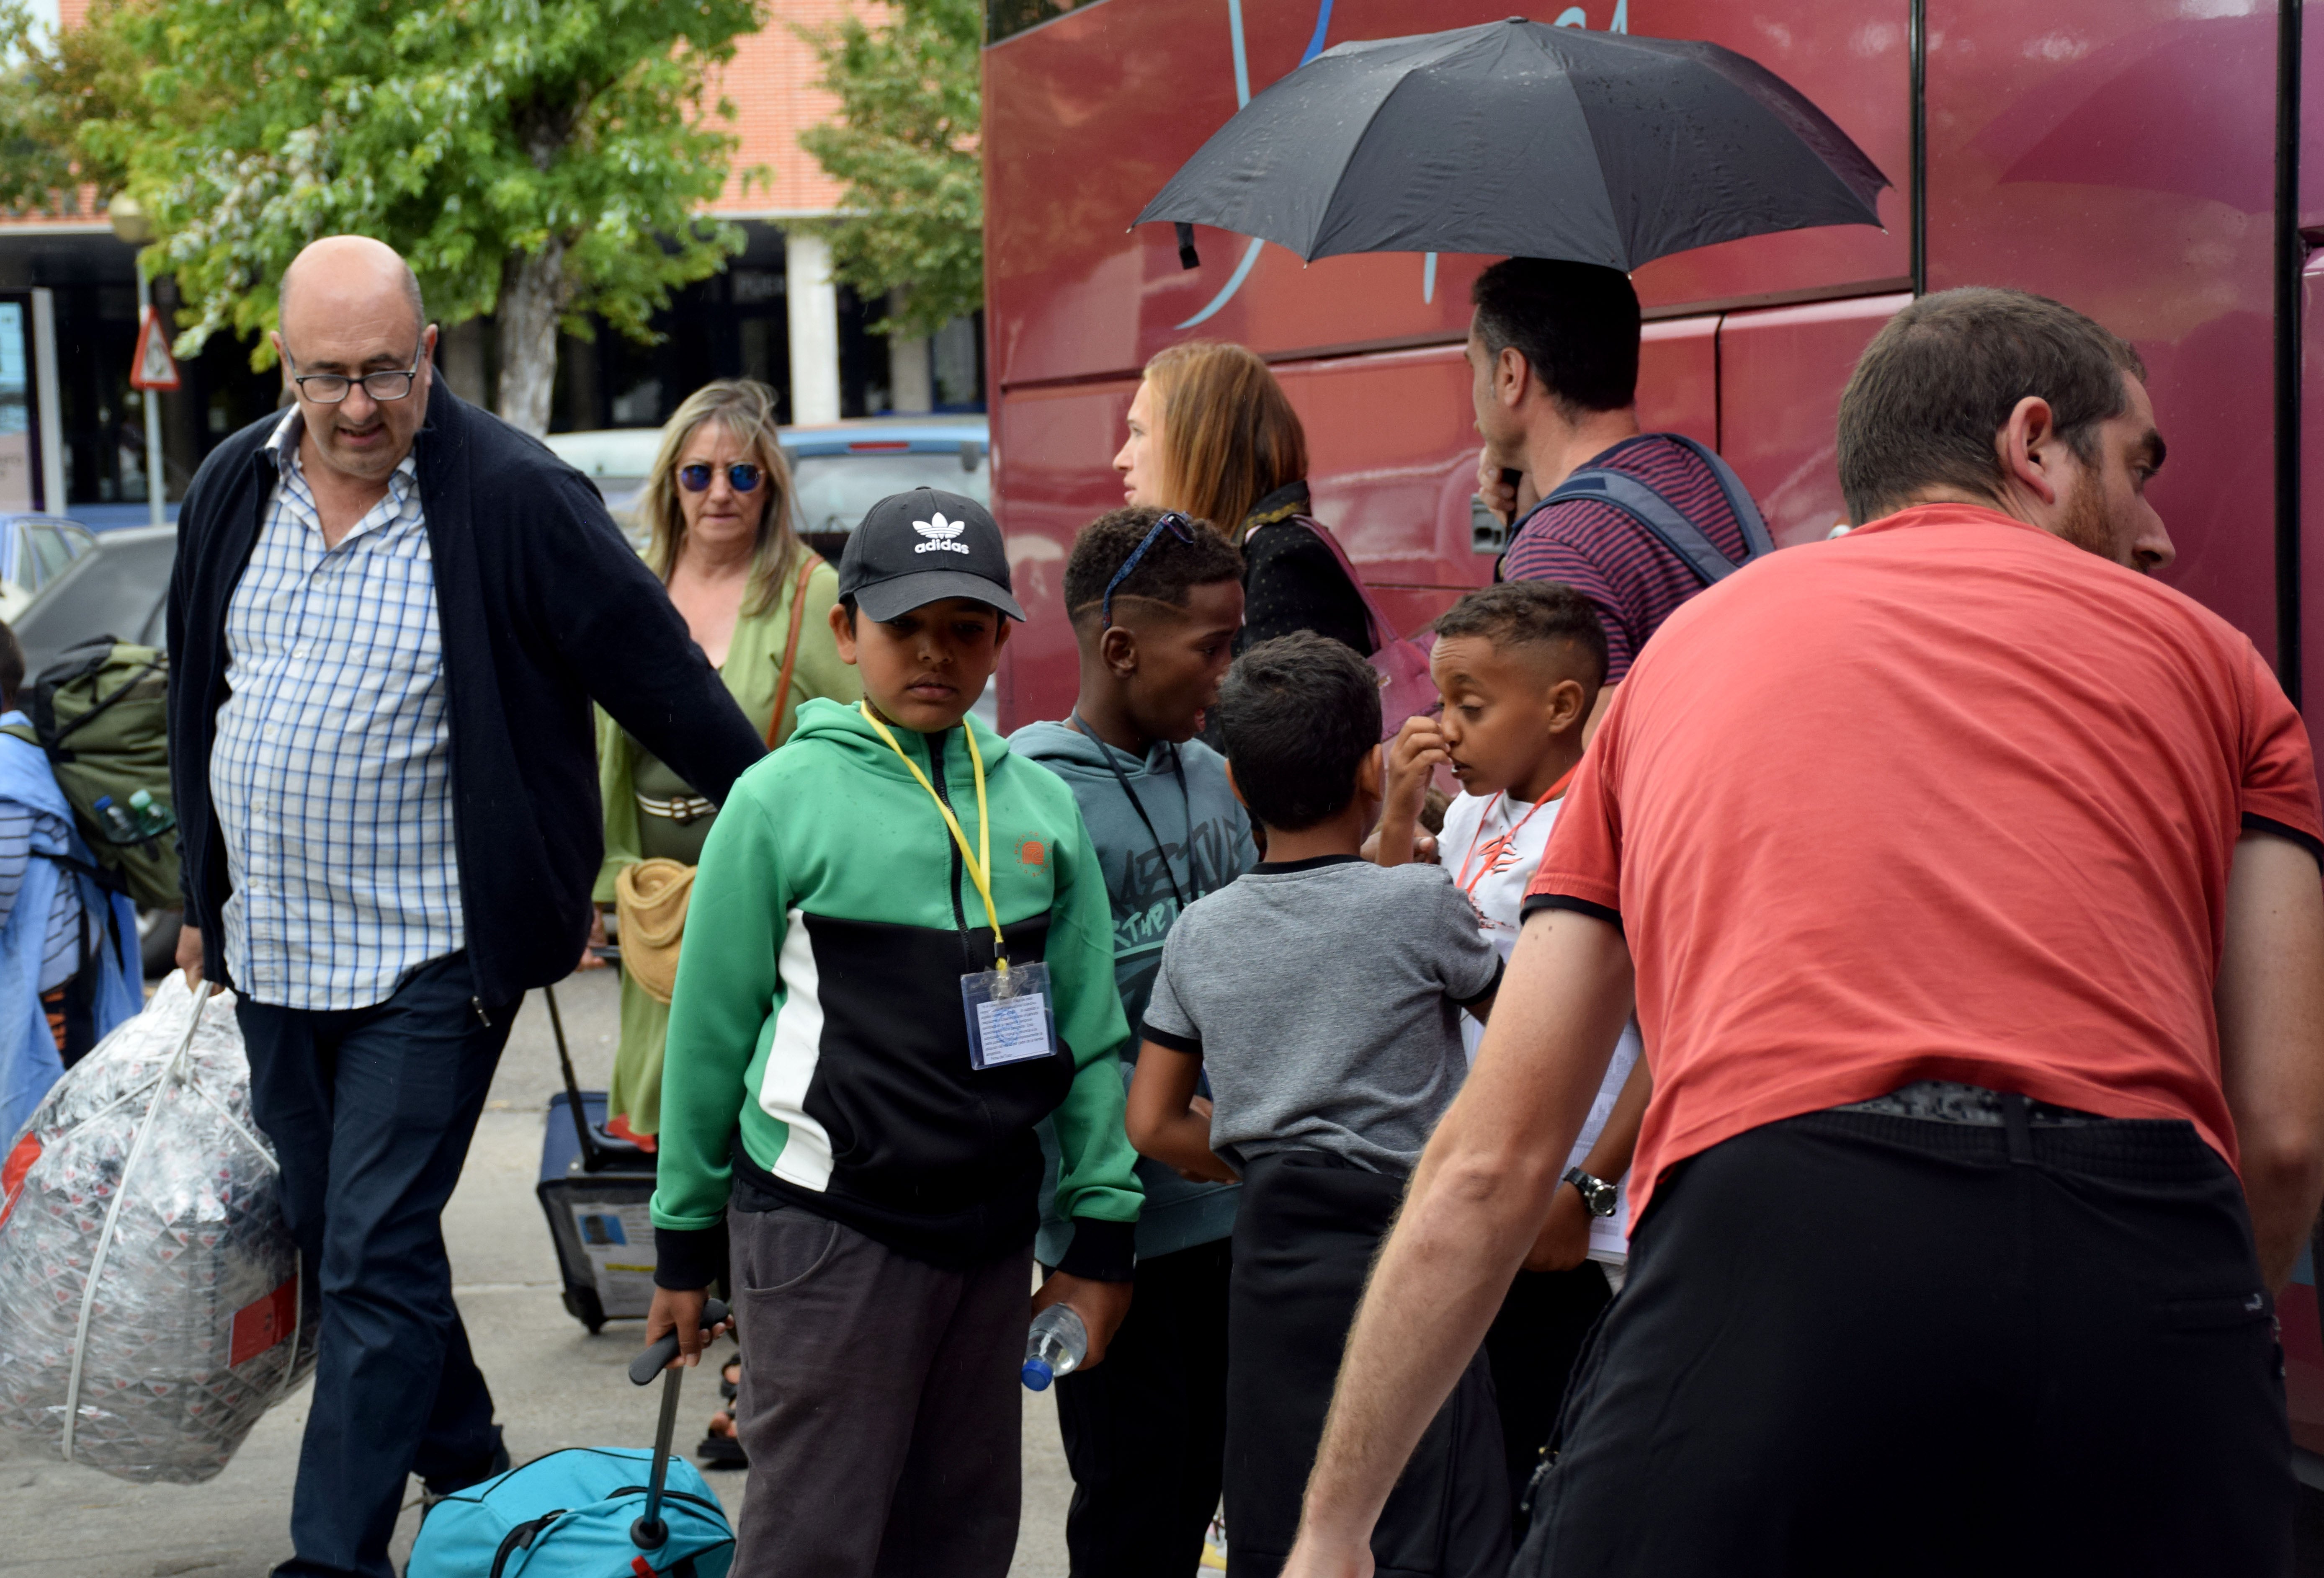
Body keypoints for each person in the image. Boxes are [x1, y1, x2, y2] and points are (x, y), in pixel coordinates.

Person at [1280, 287, 2324, 1578]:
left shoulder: (1671, 666)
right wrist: (2184, 1329)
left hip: (1780, 1252)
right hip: (2147, 1256)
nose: (2159, 534)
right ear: (2033, 442)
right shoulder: (2225, 670)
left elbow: (1490, 1157)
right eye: (2138, 466)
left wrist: (1332, 1526)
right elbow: (2279, 1135)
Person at [165, 236, 766, 1578]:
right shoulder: (229, 486)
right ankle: (472, 1460)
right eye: (330, 375)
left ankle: (333, 1554)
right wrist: (197, 895)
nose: (360, 403)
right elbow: (197, 693)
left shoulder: (509, 494)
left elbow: (656, 671)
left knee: (374, 1246)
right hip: (274, 945)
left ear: (428, 351)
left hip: (433, 950)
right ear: (285, 365)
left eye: (387, 368)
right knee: (341, 1238)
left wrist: (795, 813)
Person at [645, 487, 1144, 1578]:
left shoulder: (1038, 809)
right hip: (826, 1230)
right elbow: (708, 1036)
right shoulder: (776, 803)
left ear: (1001, 642)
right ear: (844, 631)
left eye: (963, 629)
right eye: (902, 626)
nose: (933, 653)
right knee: (813, 1542)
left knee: (960, 1540)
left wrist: (1097, 1229)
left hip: (989, 1239)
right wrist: (682, 1242)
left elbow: (1091, 1038)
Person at [1126, 631, 1509, 1578]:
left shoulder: (1198, 934)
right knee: (1425, 1511)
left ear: (1235, 789)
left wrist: (1255, 1151)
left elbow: (1152, 1121)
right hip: (1411, 1247)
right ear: (1370, 770)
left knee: (1286, 1512)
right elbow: (1522, 1039)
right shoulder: (1419, 907)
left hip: (1268, 1257)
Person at [1011, 506, 1257, 1578]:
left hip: (1238, 1220)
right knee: (1130, 1508)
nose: (1226, 669)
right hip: (1117, 1237)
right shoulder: (1025, 794)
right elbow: (1030, 1035)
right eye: (1210, 645)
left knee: (1215, 1484)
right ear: (1119, 647)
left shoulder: (1213, 776)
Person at [1371, 581, 1648, 1524]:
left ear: (1563, 707)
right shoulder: (1466, 818)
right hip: (1477, 1190)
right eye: (1442, 703)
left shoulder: (1609, 827)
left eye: (1472, 707)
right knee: (1467, 1471)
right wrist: (1400, 812)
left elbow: (1672, 1037)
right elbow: (1383, 956)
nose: (1446, 729)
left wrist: (1590, 1195)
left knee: (1552, 1470)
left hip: (1570, 1224)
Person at [588, 378, 858, 1151]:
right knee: (666, 1118)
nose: (719, 492)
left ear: (769, 486)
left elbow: (863, 742)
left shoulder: (813, 593)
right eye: (698, 473)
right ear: (670, 481)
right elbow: (596, 751)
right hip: (652, 902)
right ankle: (683, 1272)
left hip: (767, 900)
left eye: (742, 474)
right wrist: (599, 882)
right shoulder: (628, 587)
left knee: (752, 1109)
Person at [1471, 257, 1762, 702]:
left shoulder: (1554, 547)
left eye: (1472, 365)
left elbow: (1586, 762)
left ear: (1511, 374)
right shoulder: (1705, 474)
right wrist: (1528, 508)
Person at [1115, 339, 1373, 657]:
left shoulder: (1282, 561)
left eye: (1138, 432)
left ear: (1201, 445)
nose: (1121, 459)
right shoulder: (1224, 559)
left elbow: (1284, 706)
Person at [0, 619, 139, 1138]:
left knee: (48, 1123)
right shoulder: (27, 742)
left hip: (48, 976)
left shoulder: (4, 765)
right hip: (71, 959)